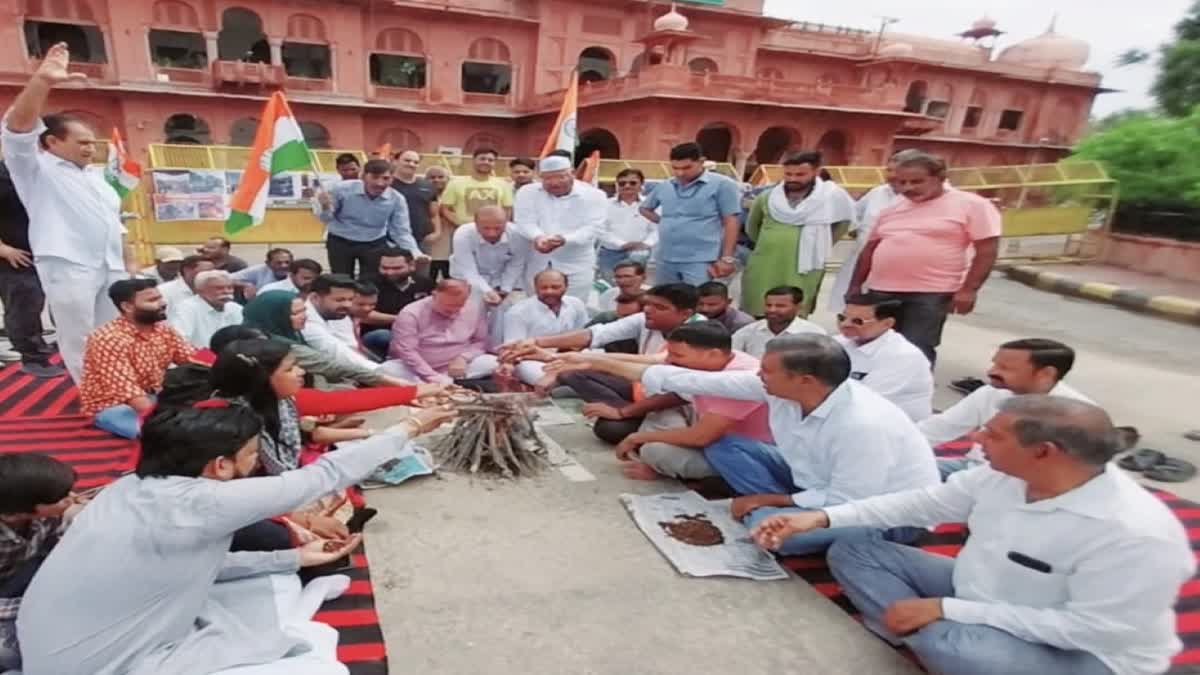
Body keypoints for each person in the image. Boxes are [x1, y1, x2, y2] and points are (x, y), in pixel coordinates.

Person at [755, 396, 1194, 675]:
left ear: (1044, 452)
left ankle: (930, 636)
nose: (977, 437)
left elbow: (1096, 631)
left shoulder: (1134, 533)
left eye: (993, 434)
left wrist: (948, 609)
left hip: (1082, 653)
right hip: (984, 593)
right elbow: (918, 503)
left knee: (959, 649)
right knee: (856, 548)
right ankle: (925, 633)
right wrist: (820, 517)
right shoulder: (1001, 476)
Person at [15, 403, 454, 675]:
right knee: (310, 661)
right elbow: (325, 474)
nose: (255, 463)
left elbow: (181, 568)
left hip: (48, 645)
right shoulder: (203, 502)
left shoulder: (129, 486)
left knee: (269, 582)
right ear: (221, 465)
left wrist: (295, 558)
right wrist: (410, 426)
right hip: (99, 666)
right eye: (250, 456)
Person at [634, 333, 939, 555]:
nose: (757, 375)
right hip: (812, 483)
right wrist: (598, 361)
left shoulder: (863, 424)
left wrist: (770, 501)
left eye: (766, 371)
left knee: (771, 531)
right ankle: (768, 507)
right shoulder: (780, 389)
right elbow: (695, 381)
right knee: (725, 447)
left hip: (875, 511)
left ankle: (769, 511)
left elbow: (849, 499)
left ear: (804, 380)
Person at [2, 43, 136, 383]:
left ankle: (117, 387)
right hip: (67, 263)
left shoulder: (98, 180)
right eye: (82, 142)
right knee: (79, 336)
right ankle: (94, 396)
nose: (91, 148)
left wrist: (128, 263)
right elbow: (17, 128)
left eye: (92, 142)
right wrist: (43, 81)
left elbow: (115, 227)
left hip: (110, 267)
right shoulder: (34, 170)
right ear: (51, 143)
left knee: (113, 335)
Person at [846, 151, 1002, 365]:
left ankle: (910, 396)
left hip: (931, 292)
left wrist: (969, 290)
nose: (908, 188)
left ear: (940, 178)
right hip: (881, 290)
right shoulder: (892, 208)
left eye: (917, 181)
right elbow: (870, 249)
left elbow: (987, 250)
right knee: (872, 346)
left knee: (916, 349)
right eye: (902, 182)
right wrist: (855, 286)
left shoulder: (972, 205)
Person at [565, 321, 773, 481]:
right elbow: (650, 365)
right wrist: (591, 361)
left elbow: (701, 438)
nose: (670, 361)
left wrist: (637, 438)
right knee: (662, 411)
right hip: (705, 427)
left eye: (677, 356)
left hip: (732, 451)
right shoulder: (722, 356)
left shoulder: (740, 379)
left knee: (655, 451)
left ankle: (703, 479)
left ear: (713, 354)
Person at [501, 284, 700, 443]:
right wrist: (537, 342)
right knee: (571, 373)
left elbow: (672, 387)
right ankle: (631, 416)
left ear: (685, 314)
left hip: (675, 405)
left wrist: (622, 412)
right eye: (648, 304)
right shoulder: (645, 319)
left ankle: (631, 417)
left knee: (609, 430)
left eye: (660, 307)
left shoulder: (699, 336)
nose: (649, 310)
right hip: (641, 389)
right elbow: (596, 334)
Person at [925, 338, 1093, 478]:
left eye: (1004, 368)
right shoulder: (991, 392)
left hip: (1018, 481)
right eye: (995, 364)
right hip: (970, 468)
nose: (991, 371)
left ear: (1046, 374)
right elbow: (940, 427)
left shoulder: (1078, 415)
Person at [741, 151, 856, 317]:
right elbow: (752, 228)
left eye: (800, 174)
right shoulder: (767, 198)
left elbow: (842, 225)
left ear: (816, 171)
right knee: (758, 311)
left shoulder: (831, 198)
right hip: (765, 263)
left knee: (795, 314)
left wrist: (815, 244)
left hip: (806, 266)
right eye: (788, 174)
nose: (793, 179)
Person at [80, 278, 193, 439]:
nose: (162, 303)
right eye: (152, 300)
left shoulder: (163, 331)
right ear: (127, 307)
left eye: (160, 297)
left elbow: (194, 360)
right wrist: (161, 418)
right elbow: (127, 391)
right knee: (168, 435)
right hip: (115, 405)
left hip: (157, 395)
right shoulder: (107, 338)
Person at [242, 291, 415, 390]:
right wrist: (395, 383)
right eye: (295, 313)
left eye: (303, 310)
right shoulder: (276, 345)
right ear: (274, 316)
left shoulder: (286, 333)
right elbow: (330, 364)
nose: (304, 316)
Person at [0, 454, 76, 671]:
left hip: (19, 574)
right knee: (8, 655)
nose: (72, 498)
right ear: (16, 513)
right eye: (61, 498)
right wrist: (29, 607)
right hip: (8, 599)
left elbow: (56, 543)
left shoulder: (48, 515)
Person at [828, 149, 917, 313]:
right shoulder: (878, 192)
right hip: (861, 257)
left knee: (882, 311)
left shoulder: (918, 198)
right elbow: (856, 214)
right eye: (888, 170)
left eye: (896, 170)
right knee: (850, 304)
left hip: (895, 265)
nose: (891, 175)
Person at [640, 142, 740, 285]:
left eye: (687, 168)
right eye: (675, 168)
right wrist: (665, 222)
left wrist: (727, 258)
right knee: (664, 301)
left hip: (701, 259)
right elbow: (644, 208)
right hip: (665, 257)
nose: (680, 173)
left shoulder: (722, 184)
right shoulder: (665, 185)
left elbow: (731, 221)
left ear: (701, 162)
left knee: (697, 302)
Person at [512, 155, 607, 301]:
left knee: (574, 308)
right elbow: (524, 221)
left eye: (561, 177)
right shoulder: (527, 192)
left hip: (576, 264)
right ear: (540, 177)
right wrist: (538, 237)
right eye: (548, 179)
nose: (555, 183)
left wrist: (564, 240)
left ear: (572, 173)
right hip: (537, 262)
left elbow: (594, 228)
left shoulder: (595, 195)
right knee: (535, 307)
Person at [0, 159, 60, 378]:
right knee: (24, 305)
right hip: (15, 257)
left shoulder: (33, 171)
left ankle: (45, 345)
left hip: (46, 251)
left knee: (58, 301)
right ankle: (32, 358)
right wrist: (3, 249)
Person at [833, 293, 933, 422]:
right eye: (842, 318)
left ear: (887, 323)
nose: (845, 324)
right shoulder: (838, 342)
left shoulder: (904, 356)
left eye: (857, 321)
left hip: (889, 429)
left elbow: (863, 403)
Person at [317, 158, 423, 277]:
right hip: (340, 240)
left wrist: (415, 252)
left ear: (392, 179)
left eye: (386, 178)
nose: (380, 183)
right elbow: (326, 219)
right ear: (363, 177)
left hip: (374, 242)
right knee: (341, 279)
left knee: (371, 282)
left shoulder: (397, 199)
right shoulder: (341, 189)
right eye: (375, 177)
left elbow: (401, 231)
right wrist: (325, 207)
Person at [385, 278, 497, 384]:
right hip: (415, 369)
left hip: (455, 366)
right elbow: (407, 351)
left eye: (459, 306)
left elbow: (480, 341)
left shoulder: (473, 308)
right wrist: (432, 375)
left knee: (493, 362)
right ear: (434, 295)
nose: (453, 311)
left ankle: (449, 382)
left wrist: (463, 358)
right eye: (448, 306)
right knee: (388, 370)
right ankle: (440, 384)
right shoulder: (411, 313)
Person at [499, 269, 589, 384]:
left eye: (555, 287)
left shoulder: (576, 304)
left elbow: (582, 337)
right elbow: (514, 351)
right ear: (535, 288)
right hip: (533, 360)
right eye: (544, 287)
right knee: (549, 379)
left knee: (600, 360)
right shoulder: (518, 312)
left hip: (569, 355)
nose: (549, 291)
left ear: (566, 287)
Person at [360, 248, 435, 357]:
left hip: (418, 333)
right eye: (384, 268)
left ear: (412, 265)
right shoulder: (367, 283)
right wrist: (403, 320)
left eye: (396, 268)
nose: (389, 272)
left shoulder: (424, 283)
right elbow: (363, 315)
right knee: (384, 336)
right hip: (380, 333)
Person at [449, 204, 529, 302]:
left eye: (497, 228)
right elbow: (468, 270)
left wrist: (505, 289)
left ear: (506, 223)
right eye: (486, 228)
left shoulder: (518, 234)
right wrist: (487, 291)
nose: (492, 233)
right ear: (476, 224)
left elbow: (516, 264)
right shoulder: (462, 234)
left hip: (503, 278)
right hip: (466, 279)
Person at [301, 274, 377, 371]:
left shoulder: (336, 313)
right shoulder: (305, 320)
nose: (347, 305)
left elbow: (351, 348)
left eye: (350, 299)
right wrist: (383, 372)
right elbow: (340, 354)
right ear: (315, 297)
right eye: (340, 300)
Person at [732, 286, 825, 359]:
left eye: (780, 306)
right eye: (768, 305)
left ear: (798, 307)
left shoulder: (815, 334)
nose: (772, 310)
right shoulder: (748, 332)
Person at [597, 168, 655, 282]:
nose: (627, 186)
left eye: (633, 183)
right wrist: (622, 244)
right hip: (610, 253)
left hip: (639, 253)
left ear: (642, 184)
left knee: (633, 288)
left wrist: (646, 244)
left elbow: (657, 229)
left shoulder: (650, 205)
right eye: (622, 183)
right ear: (617, 185)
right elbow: (600, 230)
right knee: (609, 288)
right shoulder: (605, 204)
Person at [439, 147, 514, 231]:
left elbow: (507, 209)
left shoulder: (503, 184)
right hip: (464, 230)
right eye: (482, 159)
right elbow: (445, 208)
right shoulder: (455, 183)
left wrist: (500, 227)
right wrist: (459, 224)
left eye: (490, 160)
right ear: (474, 160)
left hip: (493, 232)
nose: (486, 162)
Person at [170, 270, 245, 348]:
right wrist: (209, 358)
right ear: (200, 291)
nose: (226, 292)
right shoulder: (187, 308)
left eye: (229, 288)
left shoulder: (235, 308)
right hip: (198, 357)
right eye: (219, 288)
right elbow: (179, 341)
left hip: (230, 356)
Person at [390, 150, 440, 257]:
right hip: (393, 241)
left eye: (415, 162)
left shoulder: (427, 185)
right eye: (407, 160)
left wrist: (436, 233)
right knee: (394, 272)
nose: (411, 164)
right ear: (395, 161)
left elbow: (434, 214)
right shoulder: (386, 184)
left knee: (421, 274)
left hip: (422, 241)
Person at [160, 255, 215, 321]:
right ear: (187, 270)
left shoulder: (214, 290)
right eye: (206, 272)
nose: (210, 275)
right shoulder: (165, 291)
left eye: (212, 272)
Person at [424, 165, 454, 280]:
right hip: (429, 242)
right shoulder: (421, 195)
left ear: (448, 179)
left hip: (449, 242)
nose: (436, 180)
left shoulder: (455, 195)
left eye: (441, 177)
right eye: (432, 177)